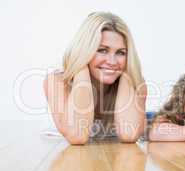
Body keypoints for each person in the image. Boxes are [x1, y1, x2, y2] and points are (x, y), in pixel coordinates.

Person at [44, 12, 147, 145]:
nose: (112, 61)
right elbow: (77, 136)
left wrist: (127, 71)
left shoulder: (137, 83)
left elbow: (129, 134)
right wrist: (80, 67)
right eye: (102, 50)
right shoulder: (57, 81)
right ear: (85, 50)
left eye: (121, 53)